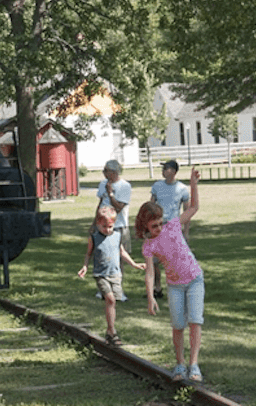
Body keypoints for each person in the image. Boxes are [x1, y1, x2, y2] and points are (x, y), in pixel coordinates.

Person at [135, 166, 204, 382]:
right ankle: (180, 364)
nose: (158, 228)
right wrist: (150, 298)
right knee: (177, 326)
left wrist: (193, 184)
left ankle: (194, 365)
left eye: (159, 222)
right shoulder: (148, 246)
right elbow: (150, 274)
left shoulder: (172, 226)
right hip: (174, 285)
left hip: (194, 280)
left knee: (195, 321)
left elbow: (193, 207)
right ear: (145, 225)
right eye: (154, 225)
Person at [78, 205, 145, 346]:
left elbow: (122, 252)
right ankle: (112, 331)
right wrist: (85, 266)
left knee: (113, 302)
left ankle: (109, 331)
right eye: (104, 227)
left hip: (115, 274)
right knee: (110, 300)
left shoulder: (117, 236)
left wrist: (134, 264)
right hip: (100, 274)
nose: (108, 230)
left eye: (110, 226)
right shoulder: (94, 238)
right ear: (97, 224)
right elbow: (88, 254)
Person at [149, 159, 191, 299]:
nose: (162, 171)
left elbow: (186, 212)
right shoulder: (157, 186)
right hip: (157, 228)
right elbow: (150, 207)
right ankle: (157, 289)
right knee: (154, 261)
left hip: (173, 228)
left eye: (165, 168)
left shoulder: (182, 189)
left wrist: (186, 232)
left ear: (173, 171)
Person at [93, 160, 133, 300]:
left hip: (118, 227)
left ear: (114, 172)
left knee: (118, 260)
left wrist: (111, 193)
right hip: (101, 226)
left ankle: (118, 290)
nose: (104, 173)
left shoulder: (124, 186)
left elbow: (118, 207)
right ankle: (103, 289)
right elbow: (100, 204)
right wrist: (94, 222)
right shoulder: (102, 184)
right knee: (101, 258)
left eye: (106, 170)